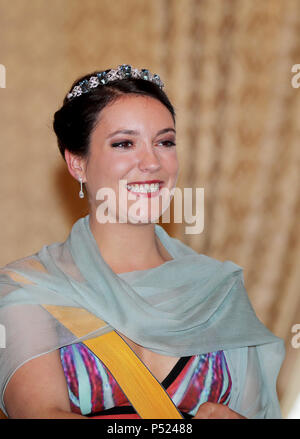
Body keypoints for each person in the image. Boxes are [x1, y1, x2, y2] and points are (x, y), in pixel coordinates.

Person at [0, 65, 285, 419]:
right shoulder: (30, 288)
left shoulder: (219, 289)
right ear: (77, 163)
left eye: (164, 142)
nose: (151, 162)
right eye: (124, 143)